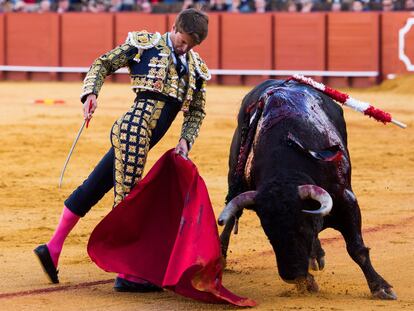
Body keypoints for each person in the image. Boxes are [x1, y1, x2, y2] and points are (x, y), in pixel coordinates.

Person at [34, 8, 210, 292]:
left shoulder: (195, 68)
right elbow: (103, 63)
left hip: (143, 139)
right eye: (183, 40)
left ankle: (52, 248)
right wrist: (91, 93)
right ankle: (126, 274)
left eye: (192, 44)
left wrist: (186, 140)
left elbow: (197, 110)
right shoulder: (147, 44)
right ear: (174, 26)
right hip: (133, 131)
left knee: (94, 186)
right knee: (129, 201)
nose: (186, 47)